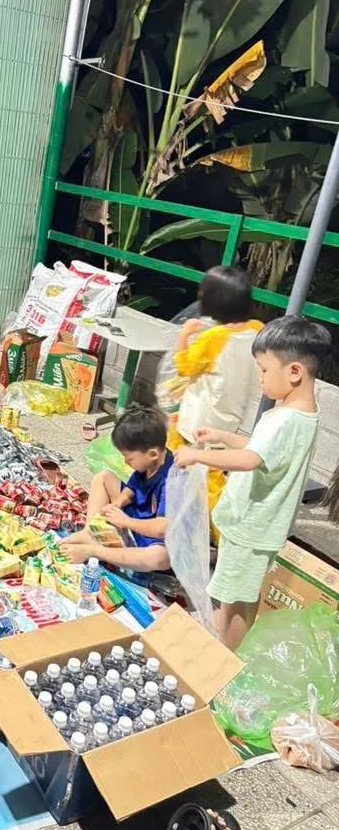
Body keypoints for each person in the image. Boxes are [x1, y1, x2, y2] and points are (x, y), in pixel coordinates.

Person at [175, 315, 331, 650]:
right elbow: (264, 451)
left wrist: (197, 455)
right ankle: (226, 639)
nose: (259, 378)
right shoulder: (302, 414)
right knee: (241, 594)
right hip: (259, 528)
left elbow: (252, 459)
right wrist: (222, 437)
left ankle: (223, 655)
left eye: (263, 370)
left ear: (294, 372)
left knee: (233, 601)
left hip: (251, 528)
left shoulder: (285, 420)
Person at [166, 266, 263, 520]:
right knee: (214, 466)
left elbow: (184, 366)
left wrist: (185, 334)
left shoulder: (213, 338)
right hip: (230, 417)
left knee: (202, 472)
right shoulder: (256, 329)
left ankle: (214, 526)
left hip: (201, 418)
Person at [62, 405, 172, 573]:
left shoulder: (172, 481)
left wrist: (125, 521)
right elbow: (132, 487)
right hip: (135, 517)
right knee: (103, 478)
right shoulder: (150, 461)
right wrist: (118, 503)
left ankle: (94, 551)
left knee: (160, 558)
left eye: (129, 458)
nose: (126, 463)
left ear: (152, 454)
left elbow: (162, 528)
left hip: (153, 537)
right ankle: (89, 532)